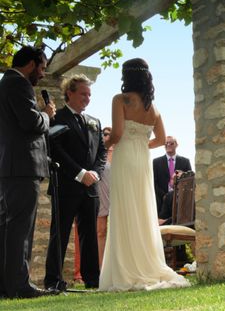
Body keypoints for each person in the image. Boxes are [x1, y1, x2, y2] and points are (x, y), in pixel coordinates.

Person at [100, 58, 189, 291]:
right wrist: (141, 144)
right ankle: (147, 263)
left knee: (123, 209)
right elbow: (160, 140)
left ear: (126, 76)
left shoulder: (120, 99)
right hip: (141, 160)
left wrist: (103, 144)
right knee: (141, 209)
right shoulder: (153, 109)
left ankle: (127, 267)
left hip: (125, 158)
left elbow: (117, 133)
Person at [0, 46, 57, 299]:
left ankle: (7, 285)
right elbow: (31, 123)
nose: (43, 74)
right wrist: (46, 115)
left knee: (8, 227)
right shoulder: (18, 84)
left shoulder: (5, 83)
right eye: (42, 67)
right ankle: (18, 285)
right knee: (20, 229)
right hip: (22, 166)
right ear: (31, 64)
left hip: (9, 167)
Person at [44, 74, 106, 291]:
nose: (87, 98)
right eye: (83, 94)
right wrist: (80, 173)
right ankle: (53, 281)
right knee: (59, 234)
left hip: (91, 188)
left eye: (89, 94)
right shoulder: (56, 118)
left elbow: (102, 152)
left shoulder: (95, 122)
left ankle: (92, 280)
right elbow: (55, 150)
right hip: (67, 186)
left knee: (89, 235)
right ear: (69, 92)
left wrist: (95, 174)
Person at [152, 135, 192, 213]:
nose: (168, 145)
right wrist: (164, 196)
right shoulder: (156, 162)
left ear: (176, 145)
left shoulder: (185, 161)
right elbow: (153, 182)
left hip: (181, 201)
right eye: (166, 143)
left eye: (171, 143)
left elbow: (190, 180)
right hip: (161, 201)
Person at [96, 126, 114, 267]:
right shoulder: (98, 154)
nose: (108, 137)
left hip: (118, 196)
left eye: (111, 134)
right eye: (105, 134)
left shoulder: (121, 155)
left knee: (118, 232)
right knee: (101, 231)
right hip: (102, 194)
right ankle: (101, 268)